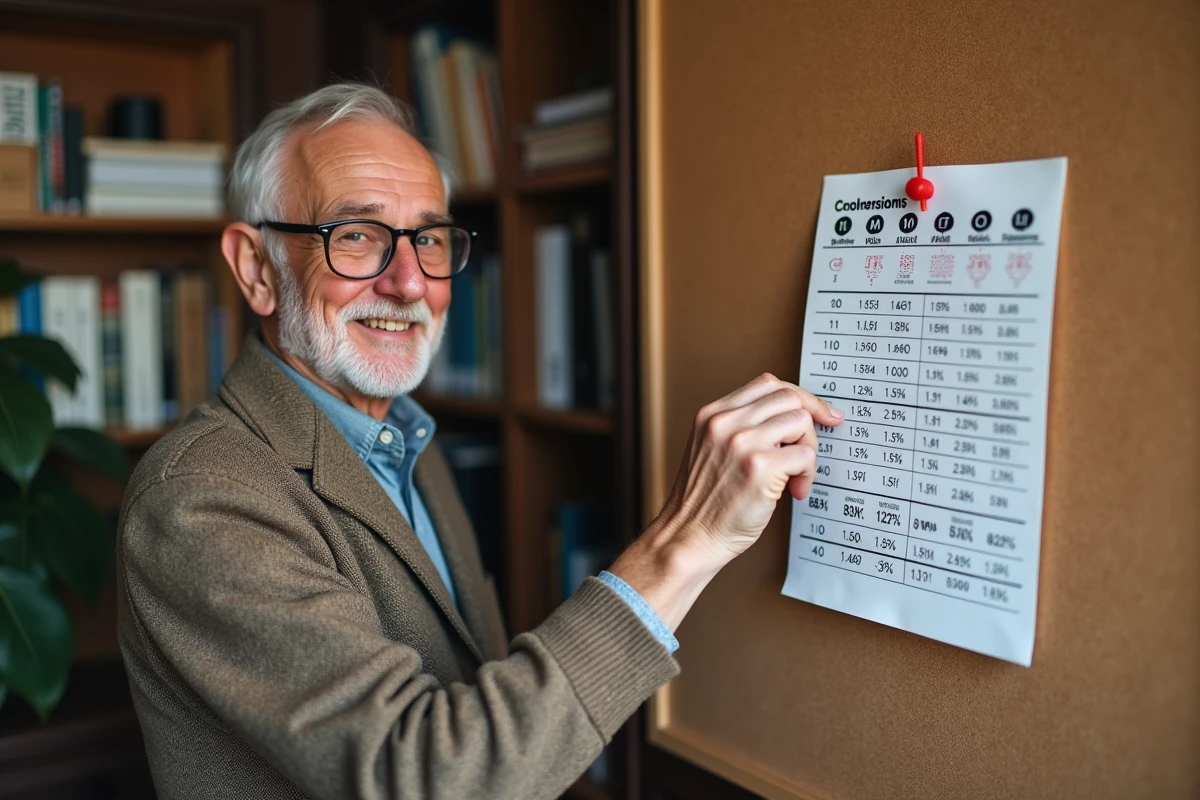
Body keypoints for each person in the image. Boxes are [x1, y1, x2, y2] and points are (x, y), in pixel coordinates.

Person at [116, 83, 844, 799]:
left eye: (429, 238)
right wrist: (685, 540)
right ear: (256, 270)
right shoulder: (197, 495)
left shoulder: (403, 433)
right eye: (358, 235)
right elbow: (434, 779)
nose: (409, 282)